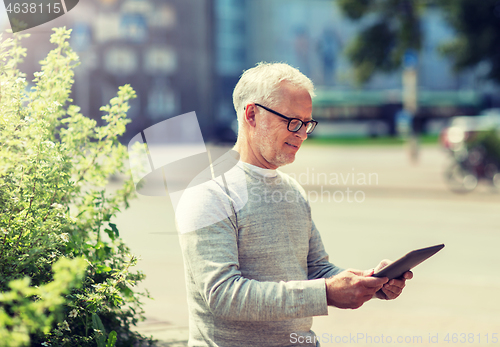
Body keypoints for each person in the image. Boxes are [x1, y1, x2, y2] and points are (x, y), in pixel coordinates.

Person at [175, 62, 412, 346]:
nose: (302, 133)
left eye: (307, 123)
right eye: (292, 122)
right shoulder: (210, 192)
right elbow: (224, 295)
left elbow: (316, 270)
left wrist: (370, 283)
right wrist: (325, 293)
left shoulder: (292, 191)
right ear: (252, 114)